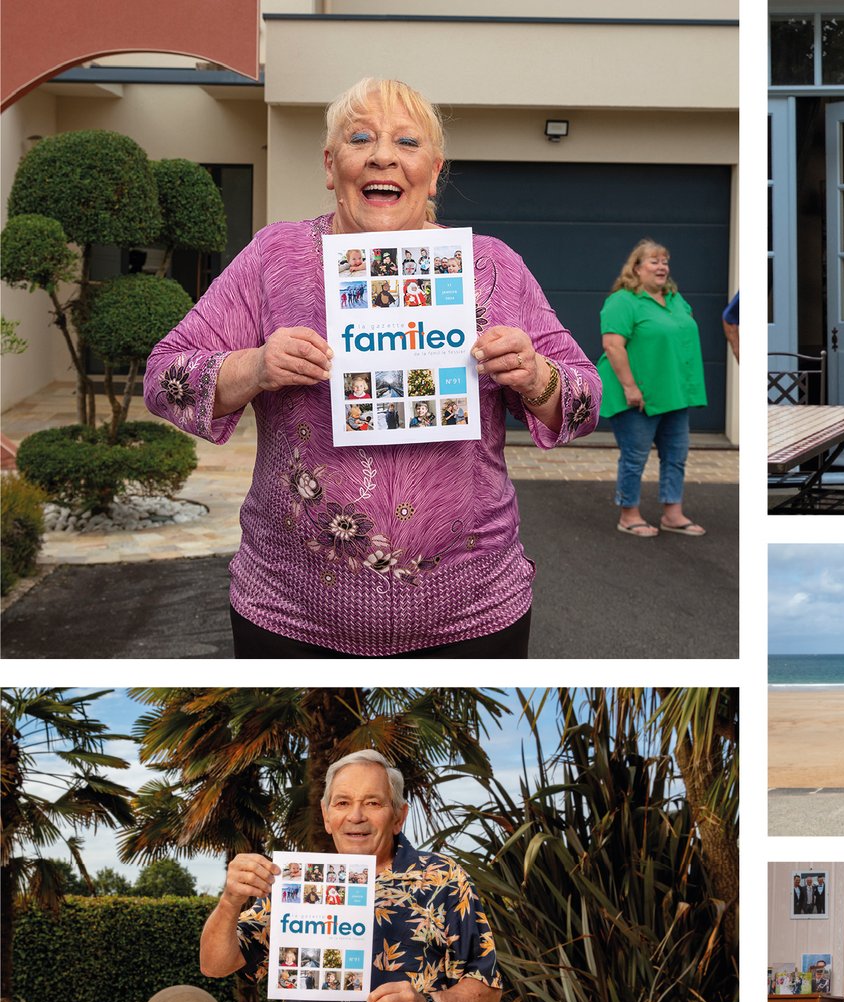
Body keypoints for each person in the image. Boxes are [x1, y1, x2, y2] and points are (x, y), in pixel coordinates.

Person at [145, 77, 598, 657]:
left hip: (475, 609)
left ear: (435, 172)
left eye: (407, 143)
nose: (383, 155)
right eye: (361, 138)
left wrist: (538, 379)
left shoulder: (490, 268)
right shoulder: (274, 258)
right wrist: (256, 366)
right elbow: (164, 377)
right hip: (289, 611)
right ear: (331, 167)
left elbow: (586, 401)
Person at [199, 751, 501, 1002]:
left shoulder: (444, 881)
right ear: (326, 816)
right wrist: (229, 901)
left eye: (372, 803)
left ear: (398, 816)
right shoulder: (297, 884)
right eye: (342, 802)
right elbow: (215, 964)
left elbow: (487, 986)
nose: (355, 815)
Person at [597, 239, 706, 537]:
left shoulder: (674, 299)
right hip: (636, 394)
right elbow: (613, 345)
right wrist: (631, 387)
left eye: (665, 261)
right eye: (654, 261)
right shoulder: (623, 301)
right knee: (635, 456)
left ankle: (673, 513)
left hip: (673, 392)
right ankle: (628, 514)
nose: (662, 267)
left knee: (676, 454)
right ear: (636, 267)